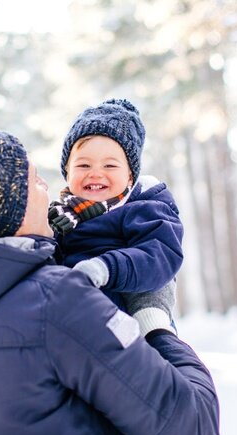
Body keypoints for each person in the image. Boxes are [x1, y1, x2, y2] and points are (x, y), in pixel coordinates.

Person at [0, 129, 220, 435]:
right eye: (32, 180)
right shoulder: (58, 300)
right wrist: (156, 324)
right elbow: (195, 429)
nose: (46, 185)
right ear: (9, 208)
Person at [49, 98, 182, 335]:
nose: (95, 174)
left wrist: (107, 267)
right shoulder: (60, 217)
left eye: (109, 166)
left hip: (134, 331)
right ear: (67, 172)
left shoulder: (144, 207)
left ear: (130, 175)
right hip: (75, 328)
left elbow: (160, 255)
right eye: (83, 165)